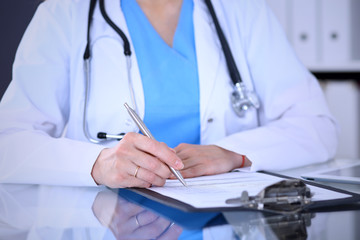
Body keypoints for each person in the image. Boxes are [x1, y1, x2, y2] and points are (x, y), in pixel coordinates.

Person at [0, 0, 337, 188]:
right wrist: (96, 164)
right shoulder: (64, 13)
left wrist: (235, 153)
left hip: (223, 223)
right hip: (99, 225)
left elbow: (318, 126)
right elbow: (8, 142)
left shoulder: (242, 10)